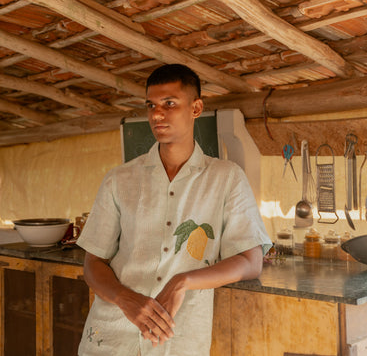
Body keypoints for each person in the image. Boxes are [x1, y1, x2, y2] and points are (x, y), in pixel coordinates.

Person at [77, 63, 272, 356]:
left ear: (195, 108)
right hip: (110, 337)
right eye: (151, 105)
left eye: (169, 104)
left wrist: (184, 281)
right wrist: (125, 298)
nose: (157, 114)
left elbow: (250, 261)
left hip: (177, 340)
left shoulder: (227, 178)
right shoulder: (120, 179)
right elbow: (93, 264)